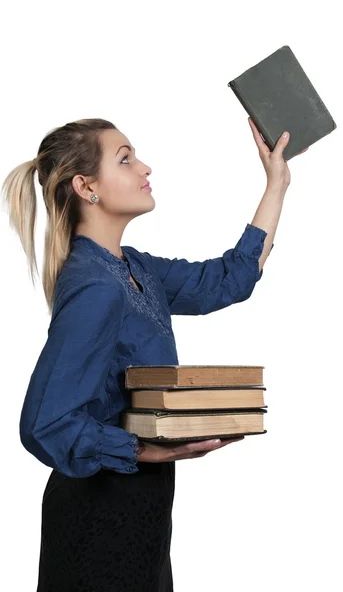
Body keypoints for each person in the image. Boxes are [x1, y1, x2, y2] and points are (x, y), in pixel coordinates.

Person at [1, 117, 307, 592]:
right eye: (125, 158)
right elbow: (43, 423)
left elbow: (228, 280)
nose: (145, 167)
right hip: (99, 519)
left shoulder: (133, 267)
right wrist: (147, 450)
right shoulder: (95, 286)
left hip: (144, 512)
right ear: (87, 187)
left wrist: (277, 183)